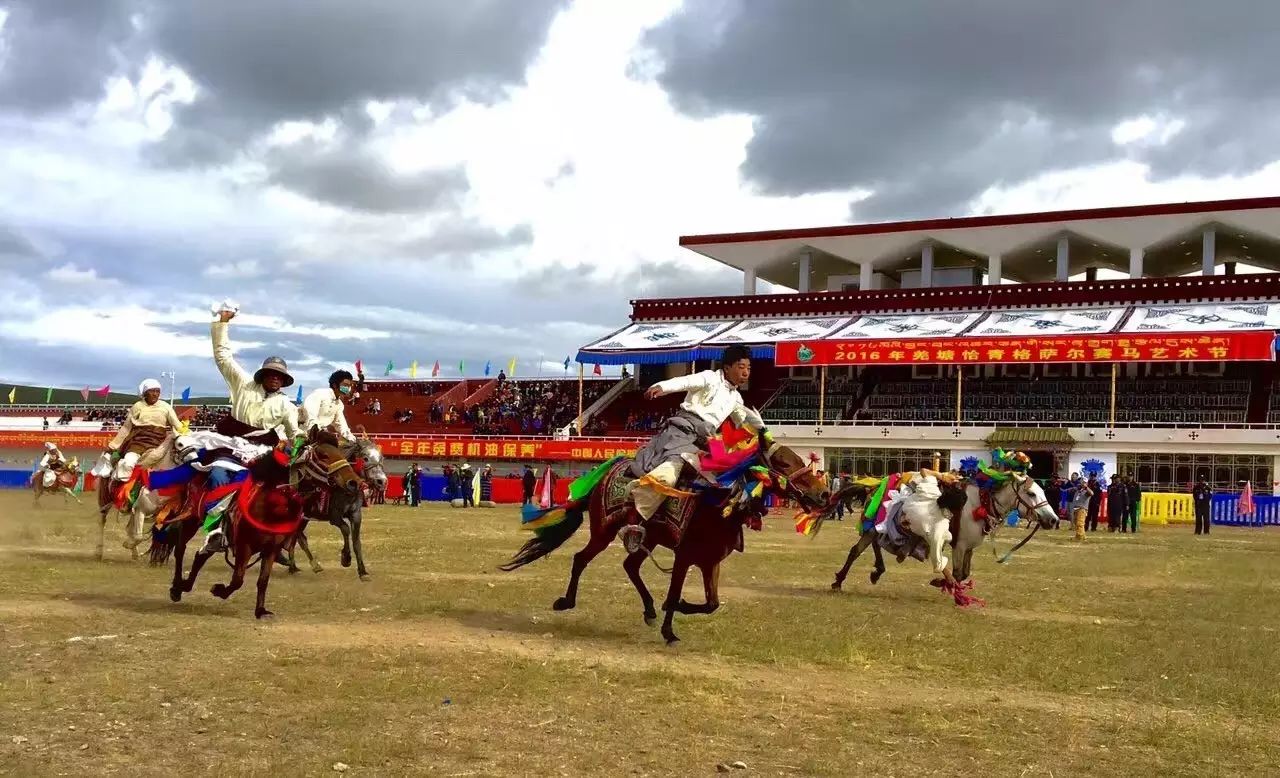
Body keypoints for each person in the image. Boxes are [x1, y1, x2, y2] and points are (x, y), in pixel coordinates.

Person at [619, 345, 765, 553]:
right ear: (727, 367)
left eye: (749, 368)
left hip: (707, 440)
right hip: (683, 431)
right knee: (667, 477)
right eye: (741, 367)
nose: (745, 372)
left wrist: (762, 434)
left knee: (731, 476)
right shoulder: (710, 377)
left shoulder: (737, 399)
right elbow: (686, 381)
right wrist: (661, 386)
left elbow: (743, 423)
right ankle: (635, 519)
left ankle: (721, 529)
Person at [204, 306, 302, 551]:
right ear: (263, 374)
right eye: (271, 374)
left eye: (280, 376)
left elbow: (295, 433)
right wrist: (223, 324)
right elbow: (223, 357)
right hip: (230, 446)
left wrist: (303, 441)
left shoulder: (287, 405)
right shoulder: (243, 384)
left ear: (284, 381)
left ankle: (275, 536)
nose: (275, 378)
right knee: (216, 474)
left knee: (283, 489)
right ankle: (215, 529)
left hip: (263, 454)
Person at [104, 378, 184, 481]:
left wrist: (190, 437)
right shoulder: (137, 406)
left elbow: (178, 426)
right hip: (137, 443)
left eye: (157, 391)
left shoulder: (166, 407)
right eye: (152, 391)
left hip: (159, 443)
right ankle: (122, 493)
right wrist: (112, 446)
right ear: (145, 393)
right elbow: (126, 428)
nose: (155, 394)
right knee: (128, 463)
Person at [302, 370, 357, 444]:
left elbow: (342, 425)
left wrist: (354, 440)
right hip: (301, 434)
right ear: (335, 385)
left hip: (320, 438)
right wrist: (318, 433)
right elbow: (310, 417)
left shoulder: (339, 405)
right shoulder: (320, 394)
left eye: (349, 386)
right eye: (345, 385)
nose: (348, 388)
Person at [1067, 474, 1092, 541]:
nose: (1080, 483)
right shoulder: (1078, 490)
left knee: (1080, 523)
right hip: (1076, 508)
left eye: (1081, 482)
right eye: (1080, 482)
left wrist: (1086, 487)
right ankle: (1081, 536)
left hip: (1082, 509)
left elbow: (1092, 493)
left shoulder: (1086, 491)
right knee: (1077, 524)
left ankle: (1079, 538)